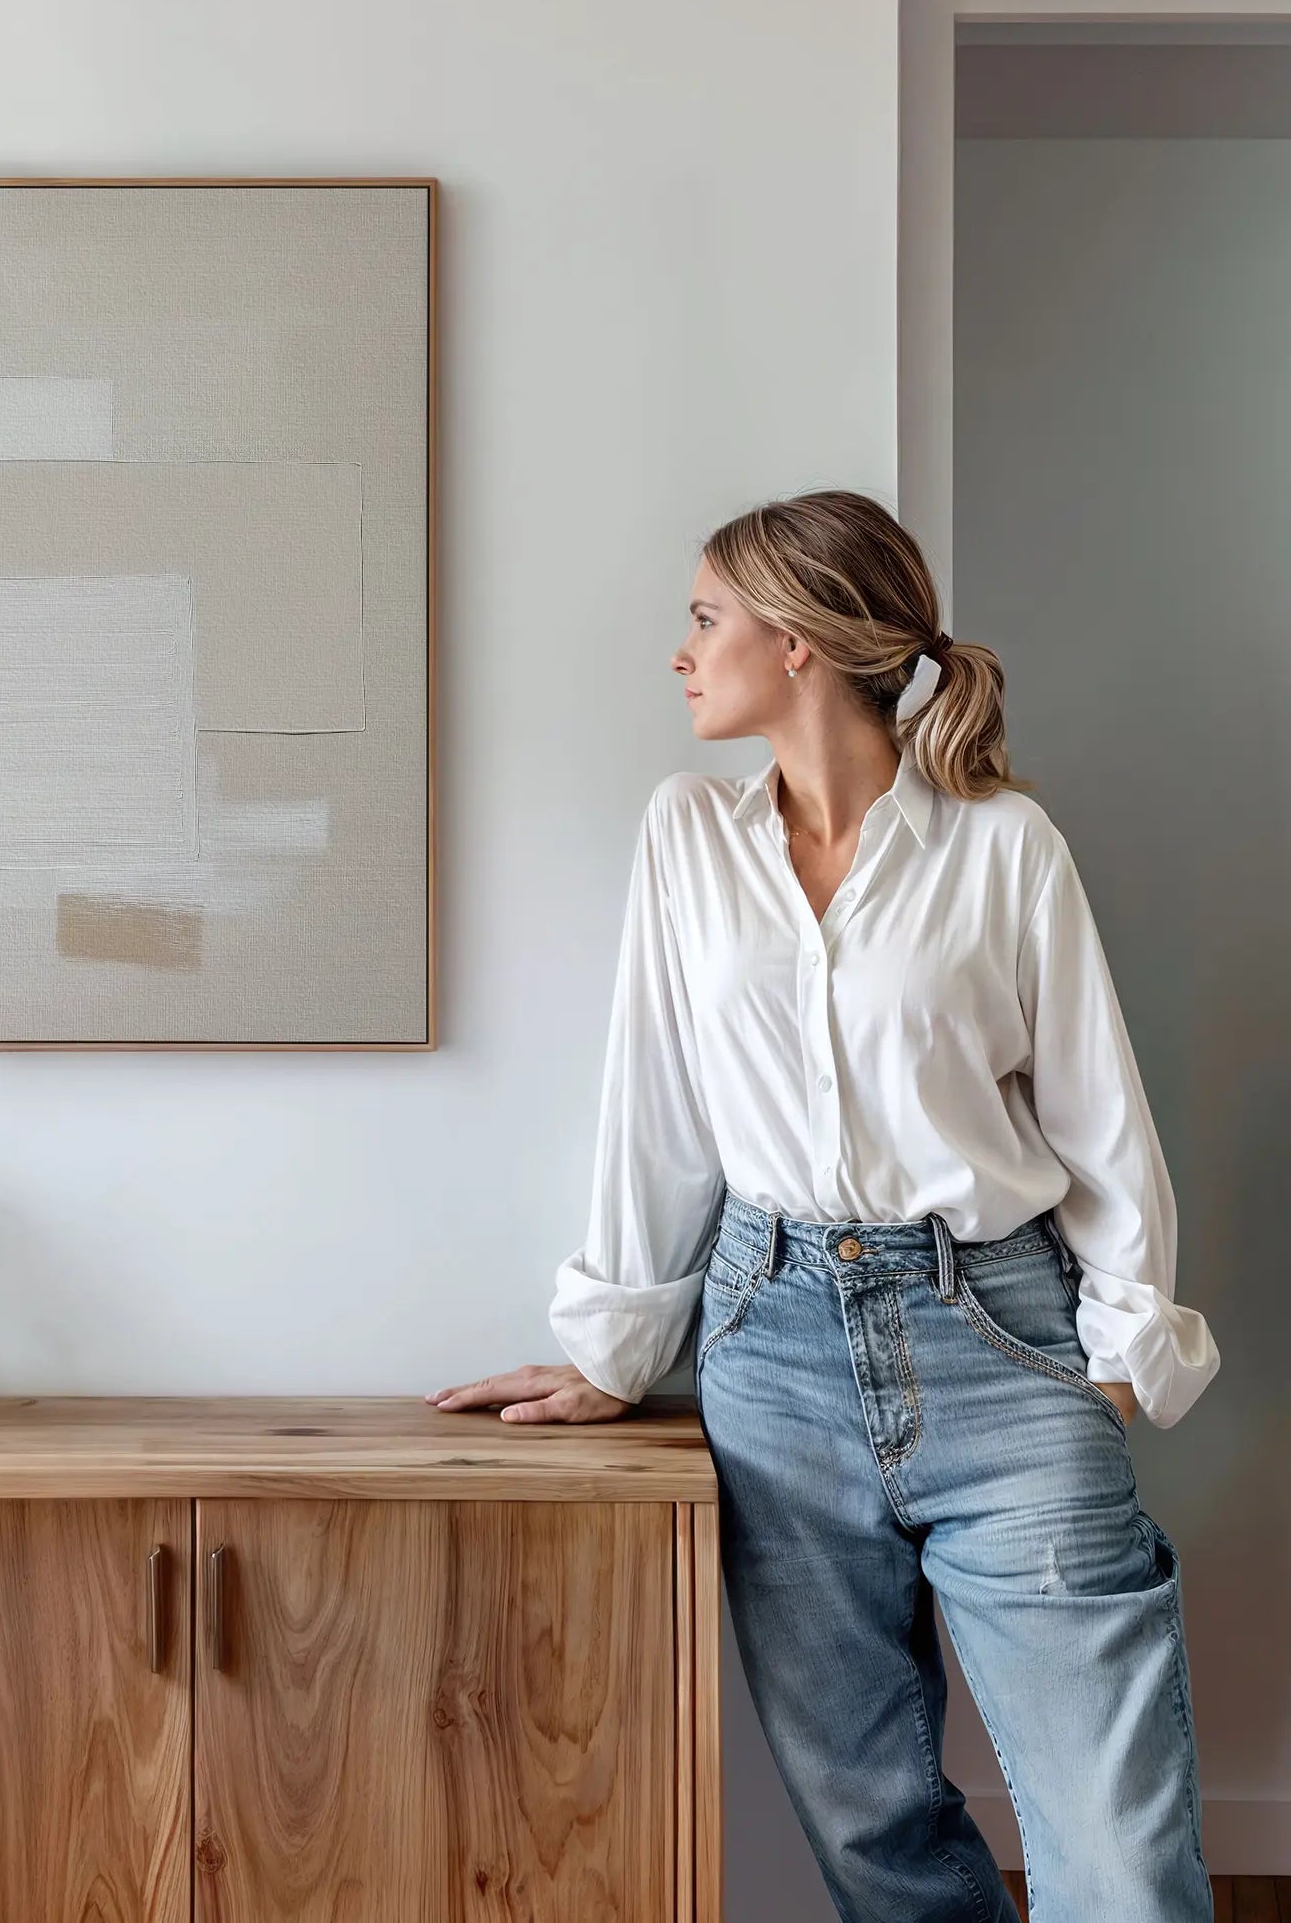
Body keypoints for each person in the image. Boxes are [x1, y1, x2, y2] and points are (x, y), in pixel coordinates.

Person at [426, 490, 1219, 1921]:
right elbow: (653, 1105)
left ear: (796, 644)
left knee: (1117, 1847)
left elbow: (1102, 1117)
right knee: (874, 1834)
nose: (682, 652)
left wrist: (1117, 1356)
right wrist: (618, 1348)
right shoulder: (687, 838)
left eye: (704, 618)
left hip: (1003, 1335)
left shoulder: (1002, 846)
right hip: (771, 1348)